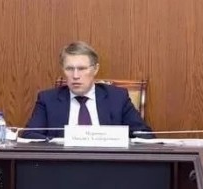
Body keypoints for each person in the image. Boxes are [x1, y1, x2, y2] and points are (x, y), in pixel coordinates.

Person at [21, 41, 151, 138]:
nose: (75, 76)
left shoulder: (117, 98)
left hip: (108, 163)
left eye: (82, 69)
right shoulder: (48, 99)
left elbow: (144, 135)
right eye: (69, 69)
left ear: (95, 69)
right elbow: (30, 136)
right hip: (63, 163)